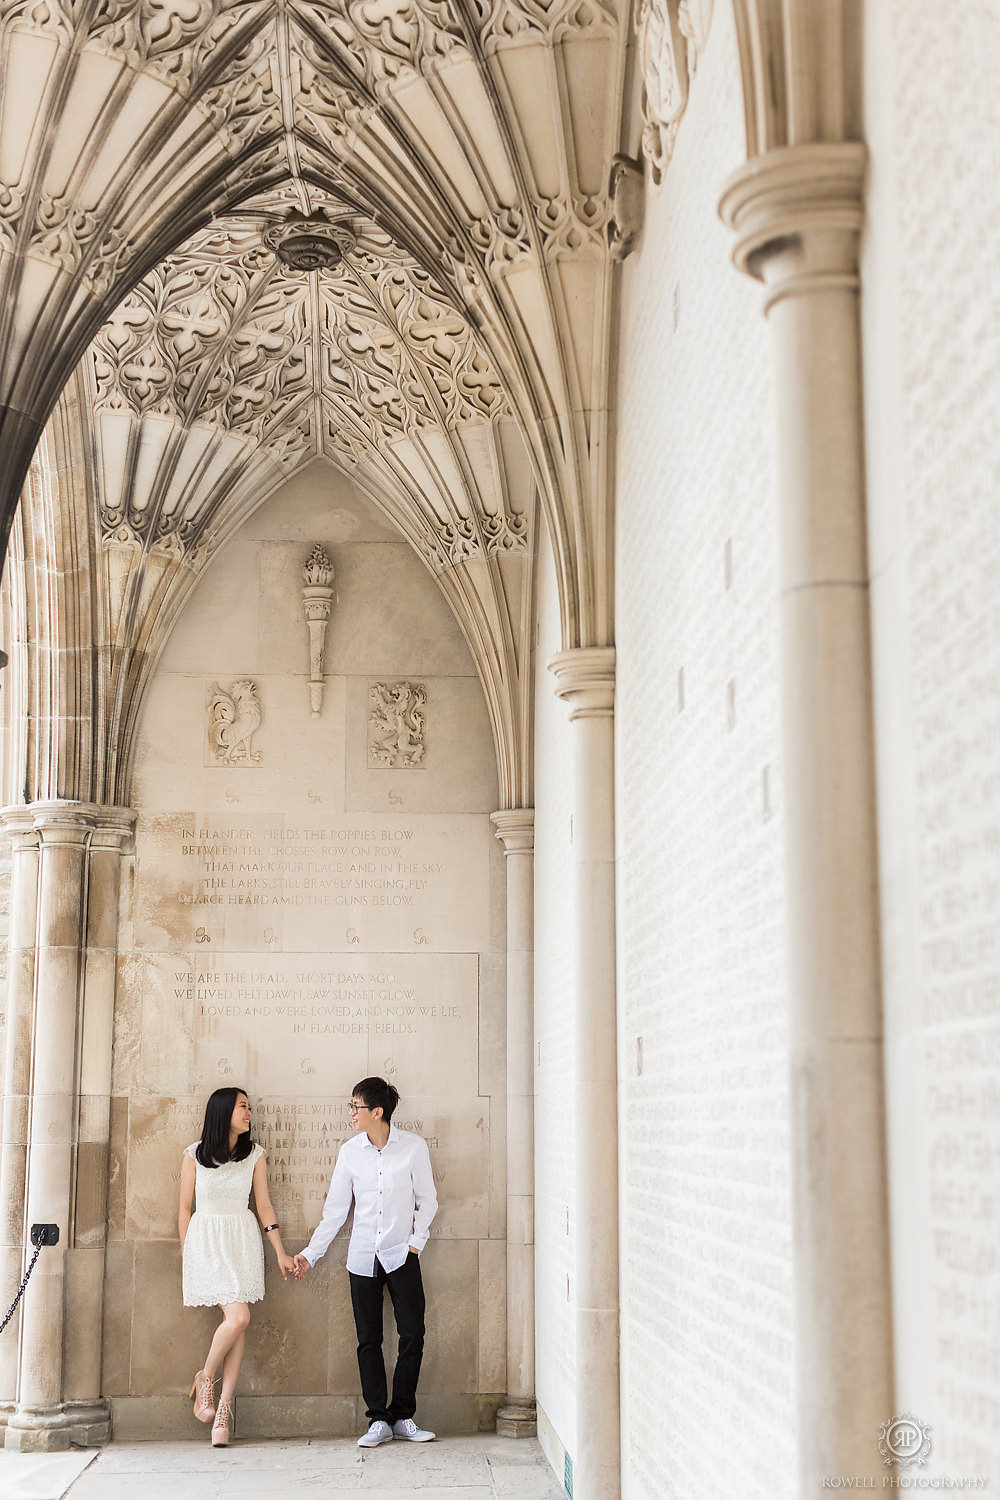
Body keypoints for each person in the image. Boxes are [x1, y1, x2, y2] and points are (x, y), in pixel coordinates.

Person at [293, 1077, 438, 1448]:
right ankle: (378, 1419)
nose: (351, 1113)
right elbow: (336, 1211)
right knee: (367, 1340)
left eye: (355, 1107)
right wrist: (311, 1254)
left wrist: (415, 1244)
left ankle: (403, 1415)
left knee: (412, 1334)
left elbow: (428, 1200)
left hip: (402, 1255)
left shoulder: (413, 1148)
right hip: (362, 1258)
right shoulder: (350, 1152)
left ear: (378, 1112)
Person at [178, 1087, 296, 1446]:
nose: (249, 1113)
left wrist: (279, 1251)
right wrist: (189, 1254)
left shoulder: (254, 1155)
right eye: (243, 1107)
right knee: (239, 1318)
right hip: (206, 1243)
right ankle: (205, 1377)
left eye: (249, 1108)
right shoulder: (193, 1156)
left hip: (241, 1241)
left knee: (237, 1322)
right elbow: (185, 1208)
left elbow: (264, 1206)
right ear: (223, 1111)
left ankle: (223, 1412)